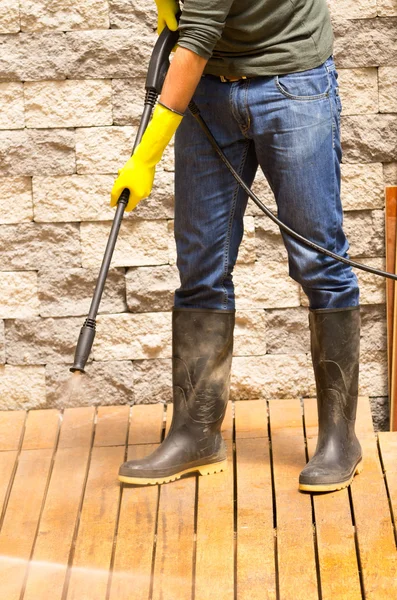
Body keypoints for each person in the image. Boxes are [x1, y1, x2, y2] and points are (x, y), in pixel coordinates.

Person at [112, 0, 363, 493]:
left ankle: (341, 439)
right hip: (210, 93)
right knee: (200, 265)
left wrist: (144, 157)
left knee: (320, 262)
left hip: (292, 82)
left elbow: (198, 36)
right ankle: (196, 432)